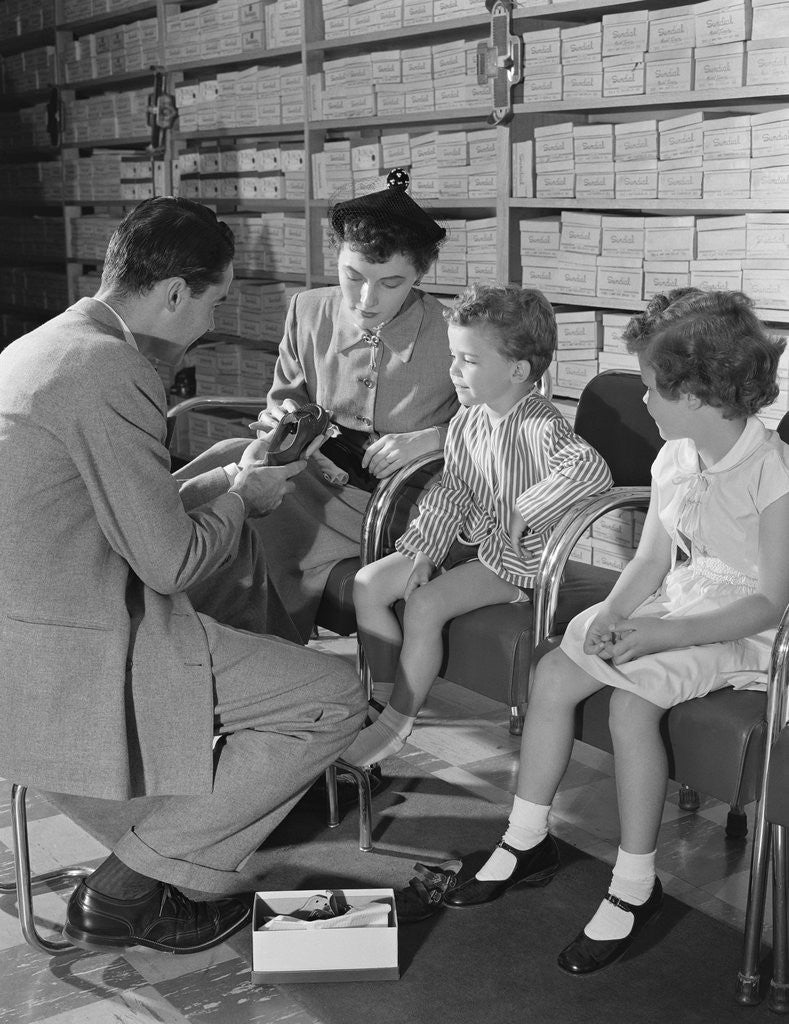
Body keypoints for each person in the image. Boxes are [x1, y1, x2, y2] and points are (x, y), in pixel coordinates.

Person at [0, 196, 366, 955]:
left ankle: (190, 836)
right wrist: (245, 496)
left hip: (29, 620)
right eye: (215, 302)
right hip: (80, 644)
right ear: (174, 293)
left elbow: (105, 509)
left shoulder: (44, 348)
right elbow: (169, 563)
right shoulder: (112, 370)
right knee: (330, 697)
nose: (209, 321)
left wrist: (216, 481)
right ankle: (129, 888)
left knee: (242, 620)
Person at [443, 289, 789, 977]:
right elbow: (650, 560)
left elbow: (769, 604)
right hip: (681, 602)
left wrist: (658, 637)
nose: (642, 405)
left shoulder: (773, 476)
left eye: (653, 390)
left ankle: (634, 886)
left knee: (632, 706)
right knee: (552, 673)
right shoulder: (676, 457)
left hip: (742, 630)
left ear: (695, 392)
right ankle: (524, 839)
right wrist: (613, 613)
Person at [341, 284, 613, 767]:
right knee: (369, 584)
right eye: (453, 356)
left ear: (518, 370)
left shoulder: (541, 424)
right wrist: (424, 550)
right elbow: (453, 490)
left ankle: (396, 723)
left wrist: (526, 509)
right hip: (465, 544)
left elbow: (591, 470)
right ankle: (381, 699)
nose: (453, 371)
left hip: (514, 560)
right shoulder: (467, 420)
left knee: (424, 605)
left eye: (468, 360)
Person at [244, 168, 459, 641]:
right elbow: (282, 402)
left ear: (420, 275)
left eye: (391, 283)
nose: (366, 299)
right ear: (336, 258)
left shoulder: (454, 332)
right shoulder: (308, 310)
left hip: (407, 504)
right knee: (232, 469)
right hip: (313, 478)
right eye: (353, 276)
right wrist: (279, 420)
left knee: (248, 515)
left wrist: (433, 438)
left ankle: (264, 653)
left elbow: (502, 431)